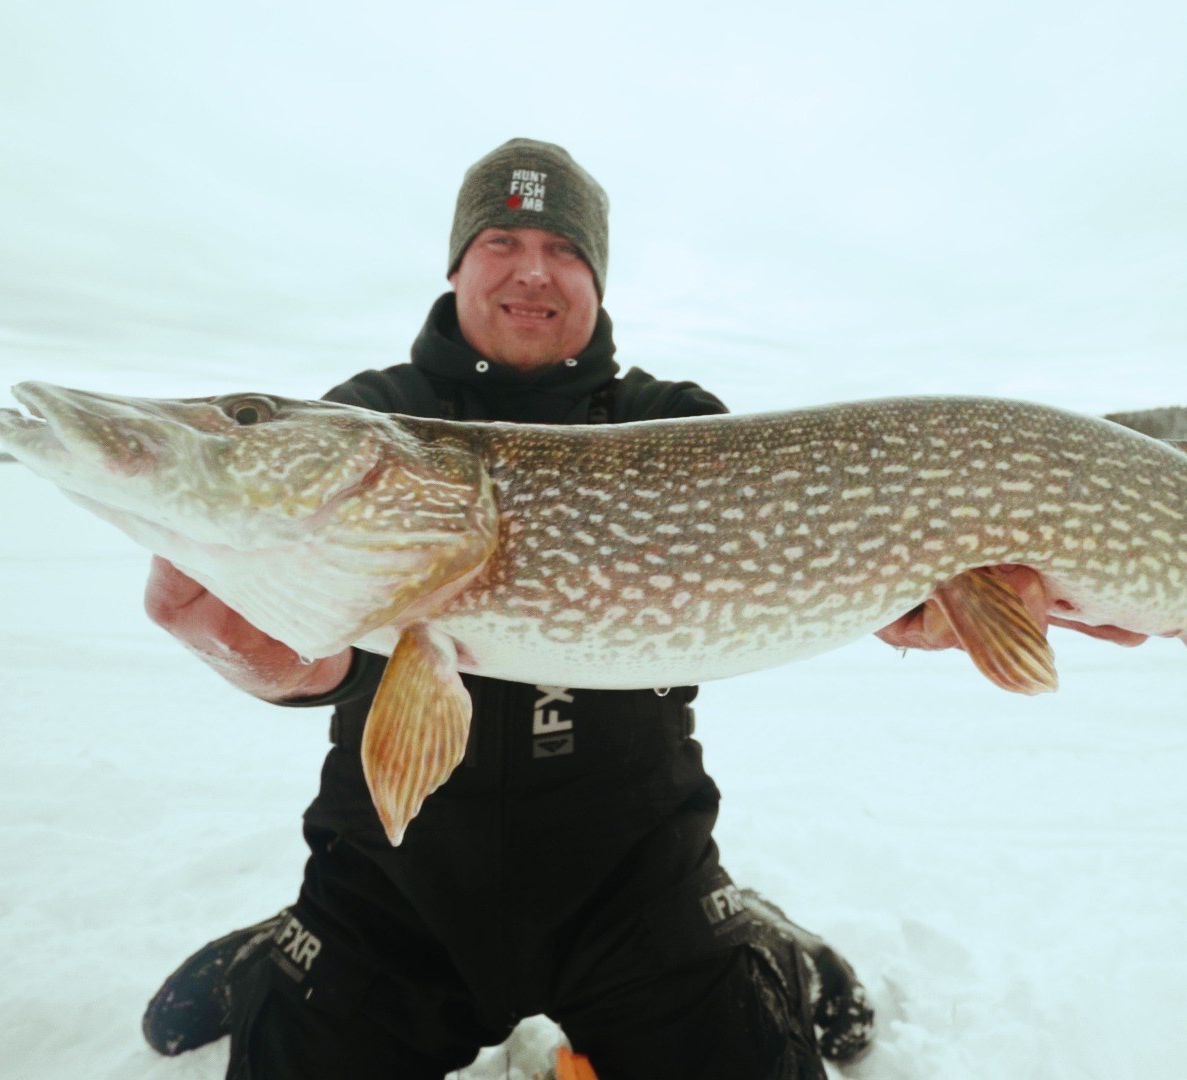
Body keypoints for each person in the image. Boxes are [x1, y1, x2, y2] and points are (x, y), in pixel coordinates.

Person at [138, 139, 874, 1079]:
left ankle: (743, 931)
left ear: (597, 277)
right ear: (457, 265)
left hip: (637, 871)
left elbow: (785, 579)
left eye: (565, 249)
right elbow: (328, 648)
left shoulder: (683, 425)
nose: (534, 271)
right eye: (503, 241)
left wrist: (907, 591)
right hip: (394, 876)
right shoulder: (369, 417)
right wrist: (283, 664)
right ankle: (288, 944)